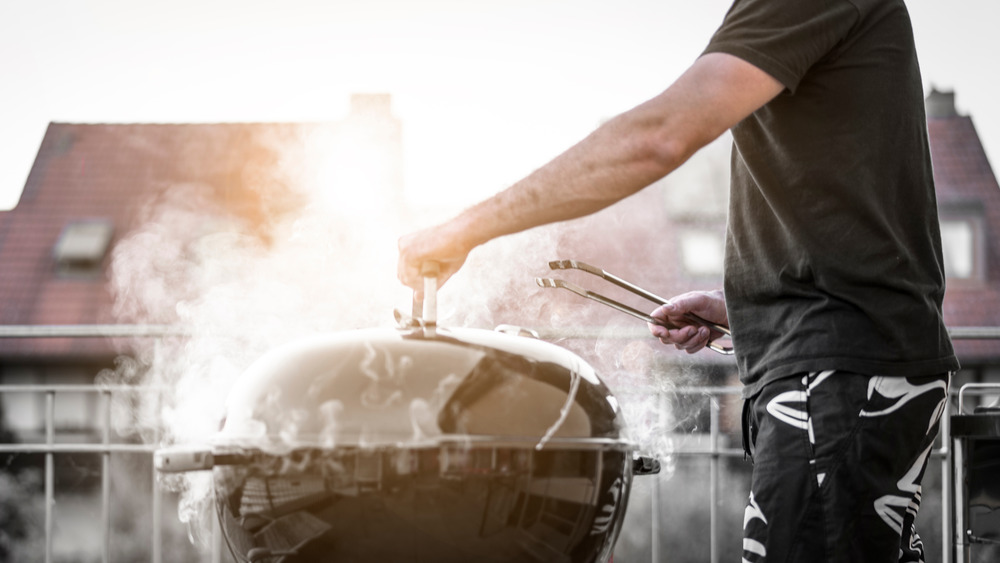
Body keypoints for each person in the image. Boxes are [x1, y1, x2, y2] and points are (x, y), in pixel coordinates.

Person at [397, 0, 959, 561]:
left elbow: (660, 136)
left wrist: (464, 229)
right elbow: (848, 200)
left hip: (843, 374)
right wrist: (741, 303)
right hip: (846, 368)